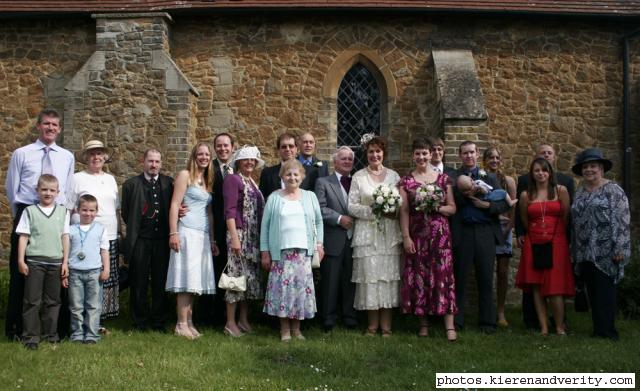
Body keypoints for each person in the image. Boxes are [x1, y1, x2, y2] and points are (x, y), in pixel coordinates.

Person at [5, 108, 74, 341]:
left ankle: (56, 329)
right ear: (38, 126)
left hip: (56, 216)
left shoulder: (66, 156)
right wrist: (23, 215)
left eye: (55, 125)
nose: (50, 128)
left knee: (57, 274)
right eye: (46, 124)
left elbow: (68, 190)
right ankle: (17, 329)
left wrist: (61, 217)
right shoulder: (21, 153)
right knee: (21, 272)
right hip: (27, 213)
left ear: (59, 129)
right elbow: (12, 189)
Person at [399, 139, 457, 341]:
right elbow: (404, 210)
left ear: (431, 154)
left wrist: (435, 207)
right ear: (413, 156)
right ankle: (423, 324)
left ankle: (449, 326)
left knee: (444, 276)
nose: (422, 157)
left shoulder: (443, 179)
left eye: (425, 153)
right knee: (419, 276)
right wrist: (406, 237)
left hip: (440, 237)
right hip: (417, 236)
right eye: (418, 154)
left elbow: (452, 208)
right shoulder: (406, 181)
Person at [450, 141, 510, 333]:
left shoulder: (490, 177)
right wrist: (468, 193)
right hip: (464, 232)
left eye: (472, 152)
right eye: (465, 153)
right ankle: (457, 321)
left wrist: (488, 207)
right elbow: (453, 203)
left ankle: (487, 322)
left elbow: (503, 204)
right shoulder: (453, 178)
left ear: (477, 155)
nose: (469, 156)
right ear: (460, 155)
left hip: (485, 232)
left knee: (485, 278)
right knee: (460, 278)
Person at [260, 159, 324, 341]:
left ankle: (297, 329)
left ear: (302, 177)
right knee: (282, 292)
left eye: (296, 174)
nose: (292, 177)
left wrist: (319, 244)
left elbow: (319, 222)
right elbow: (265, 227)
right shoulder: (274, 197)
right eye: (288, 174)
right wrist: (265, 251)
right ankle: (285, 330)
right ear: (282, 176)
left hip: (303, 254)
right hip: (281, 254)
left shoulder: (310, 196)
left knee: (299, 291)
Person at [571, 148, 630, 340]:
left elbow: (622, 219)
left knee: (606, 292)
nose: (589, 170)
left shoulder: (614, 190)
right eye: (586, 167)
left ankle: (608, 332)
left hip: (607, 248)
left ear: (601, 169)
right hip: (585, 249)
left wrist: (620, 247)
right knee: (593, 291)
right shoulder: (579, 192)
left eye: (593, 166)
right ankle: (598, 329)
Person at [515, 143, 575, 329]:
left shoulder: (561, 190)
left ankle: (559, 327)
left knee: (555, 286)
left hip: (556, 241)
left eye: (544, 170)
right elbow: (524, 218)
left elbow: (566, 217)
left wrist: (554, 233)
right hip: (534, 241)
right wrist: (532, 232)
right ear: (532, 173)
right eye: (536, 171)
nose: (540, 174)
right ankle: (543, 327)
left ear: (550, 172)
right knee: (536, 285)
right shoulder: (526, 194)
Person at [348, 135, 402, 337]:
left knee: (387, 277)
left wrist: (391, 211)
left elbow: (400, 206)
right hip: (366, 234)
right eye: (371, 151)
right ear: (366, 154)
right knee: (370, 277)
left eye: (378, 151)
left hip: (388, 233)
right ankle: (372, 326)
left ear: (383, 153)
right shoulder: (358, 177)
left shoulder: (394, 177)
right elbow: (351, 206)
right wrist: (374, 211)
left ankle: (386, 327)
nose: (374, 155)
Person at [165, 142, 219, 339]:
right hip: (186, 232)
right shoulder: (184, 175)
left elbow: (210, 213)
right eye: (200, 154)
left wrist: (212, 239)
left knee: (194, 281)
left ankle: (189, 321)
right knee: (185, 279)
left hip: (202, 235)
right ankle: (180, 324)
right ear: (194, 156)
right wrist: (173, 233)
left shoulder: (206, 180)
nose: (204, 157)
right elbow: (174, 204)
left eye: (207, 155)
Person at [66, 140, 120, 332]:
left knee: (104, 277)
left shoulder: (111, 179)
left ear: (105, 157)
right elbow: (68, 208)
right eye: (92, 154)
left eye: (99, 154)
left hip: (109, 234)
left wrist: (120, 230)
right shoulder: (77, 178)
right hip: (82, 235)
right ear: (86, 157)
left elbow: (116, 209)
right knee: (82, 277)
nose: (96, 157)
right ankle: (78, 320)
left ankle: (99, 320)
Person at [121, 149, 174, 331]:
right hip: (140, 240)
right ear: (143, 162)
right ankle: (139, 321)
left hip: (162, 241)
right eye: (150, 161)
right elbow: (127, 214)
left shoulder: (169, 183)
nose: (153, 165)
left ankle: (159, 320)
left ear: (161, 163)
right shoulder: (130, 184)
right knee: (138, 282)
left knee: (161, 282)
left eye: (157, 161)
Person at [15, 174, 70, 349]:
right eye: (44, 189)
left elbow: (65, 238)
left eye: (52, 190)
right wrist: (21, 261)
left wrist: (65, 262)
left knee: (53, 301)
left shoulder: (63, 212)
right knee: (32, 301)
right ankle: (31, 337)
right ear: (37, 190)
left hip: (55, 262)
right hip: (34, 262)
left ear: (58, 192)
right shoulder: (29, 211)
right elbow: (23, 237)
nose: (48, 193)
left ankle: (50, 335)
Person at [222, 145, 265, 337]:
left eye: (252, 160)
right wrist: (235, 239)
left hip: (253, 238)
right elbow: (229, 211)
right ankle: (230, 322)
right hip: (239, 234)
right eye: (246, 159)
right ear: (238, 162)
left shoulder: (253, 183)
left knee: (248, 280)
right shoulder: (233, 179)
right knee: (235, 278)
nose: (249, 163)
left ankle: (243, 319)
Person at [314, 146, 358, 332]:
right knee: (330, 281)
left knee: (351, 280)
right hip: (334, 238)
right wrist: (339, 219)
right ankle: (328, 318)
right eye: (343, 158)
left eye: (350, 159)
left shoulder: (358, 181)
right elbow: (320, 209)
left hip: (356, 239)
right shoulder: (323, 182)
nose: (347, 161)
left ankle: (349, 316)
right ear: (335, 161)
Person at [66, 194, 110, 344]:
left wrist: (106, 269)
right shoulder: (70, 230)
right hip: (75, 272)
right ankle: (77, 334)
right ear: (78, 210)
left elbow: (104, 250)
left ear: (97, 211)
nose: (88, 213)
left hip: (94, 272)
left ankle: (91, 334)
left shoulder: (100, 229)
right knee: (76, 306)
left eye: (92, 210)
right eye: (84, 210)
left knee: (93, 305)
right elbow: (65, 251)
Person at [482, 147, 517, 328]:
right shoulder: (481, 179)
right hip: (487, 227)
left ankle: (501, 311)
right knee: (486, 270)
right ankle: (487, 308)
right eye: (490, 157)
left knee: (502, 272)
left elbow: (513, 207)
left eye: (497, 157)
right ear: (485, 160)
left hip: (504, 229)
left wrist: (509, 228)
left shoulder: (508, 181)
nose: (494, 160)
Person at [207, 132, 236, 325]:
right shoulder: (208, 169)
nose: (223, 149)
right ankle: (214, 316)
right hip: (215, 227)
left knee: (231, 271)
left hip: (234, 228)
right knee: (216, 271)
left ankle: (230, 315)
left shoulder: (238, 168)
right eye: (219, 145)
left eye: (226, 145)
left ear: (232, 147)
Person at [259, 132, 323, 199]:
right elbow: (262, 200)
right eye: (284, 147)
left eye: (291, 146)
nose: (288, 149)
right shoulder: (267, 173)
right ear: (278, 150)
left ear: (296, 149)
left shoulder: (309, 172)